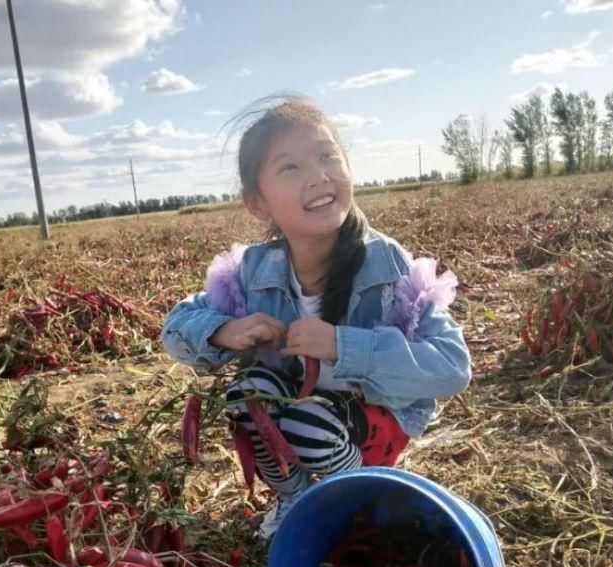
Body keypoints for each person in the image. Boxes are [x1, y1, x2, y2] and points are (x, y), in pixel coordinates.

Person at [161, 95, 471, 538]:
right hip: (304, 414)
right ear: (258, 203)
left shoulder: (388, 268)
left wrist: (345, 347)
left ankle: (356, 496)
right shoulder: (254, 271)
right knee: (249, 392)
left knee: (306, 423)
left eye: (328, 156)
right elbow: (174, 327)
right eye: (290, 167)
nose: (319, 175)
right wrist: (225, 331)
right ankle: (297, 498)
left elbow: (452, 368)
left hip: (373, 425)